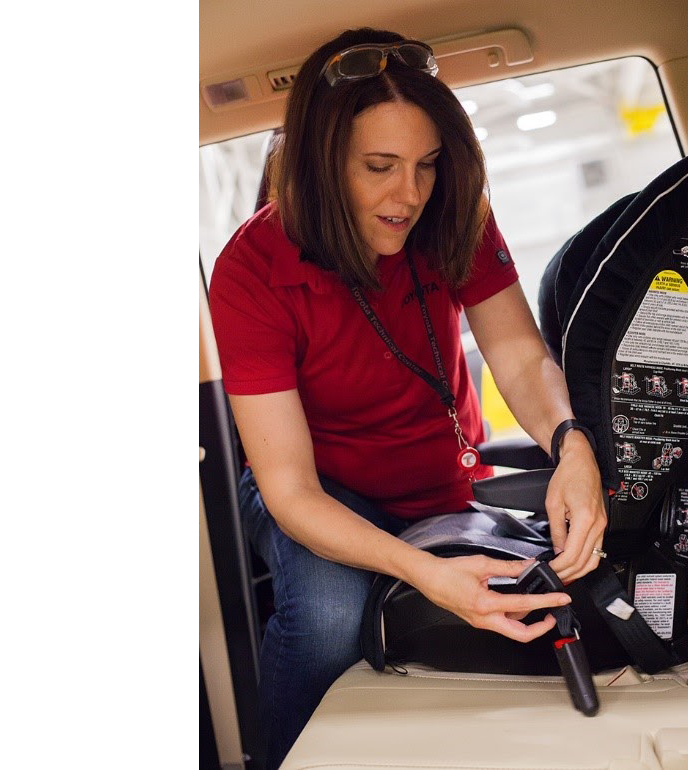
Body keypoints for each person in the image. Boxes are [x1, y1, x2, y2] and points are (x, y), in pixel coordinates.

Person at [208, 27, 607, 770]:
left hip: (439, 485)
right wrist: (421, 571)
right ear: (319, 163)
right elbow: (289, 488)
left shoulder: (452, 212)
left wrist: (570, 445)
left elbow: (518, 356)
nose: (411, 195)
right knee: (329, 614)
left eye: (427, 165)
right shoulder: (249, 270)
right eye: (378, 168)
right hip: (320, 491)